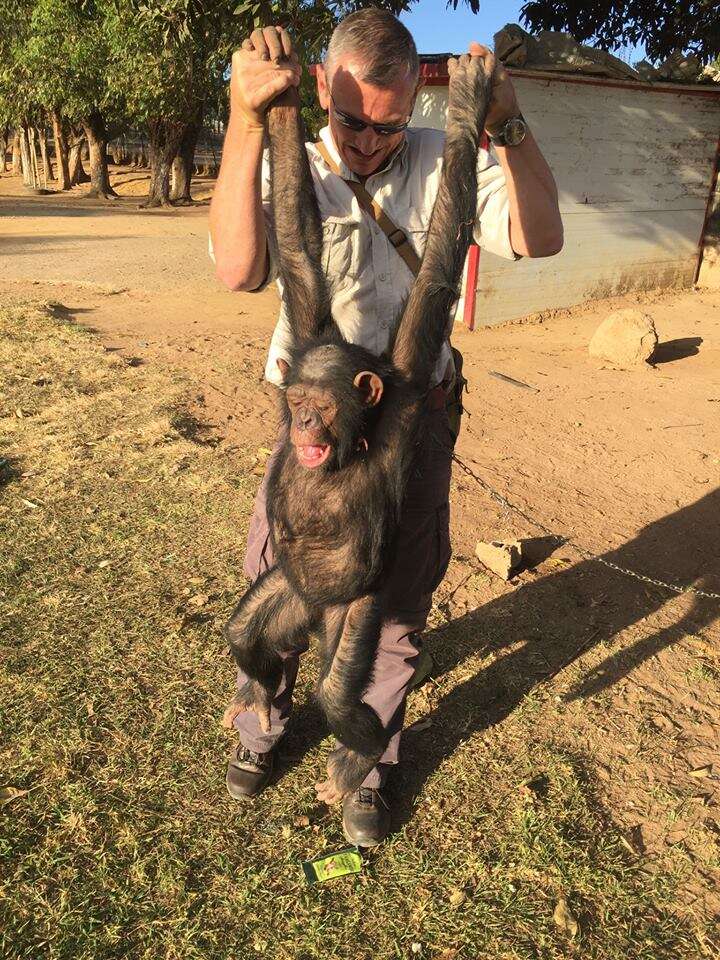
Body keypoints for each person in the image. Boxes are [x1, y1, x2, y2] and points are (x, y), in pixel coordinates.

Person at [209, 9, 563, 846]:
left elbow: (457, 266)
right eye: (347, 120)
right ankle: (262, 720)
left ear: (415, 104)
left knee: (391, 607)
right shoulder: (300, 156)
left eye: (389, 124)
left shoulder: (443, 160)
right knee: (269, 587)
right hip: (318, 408)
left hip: (405, 416)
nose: (366, 141)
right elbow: (273, 258)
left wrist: (489, 122)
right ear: (326, 90)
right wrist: (263, 115)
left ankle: (365, 763)